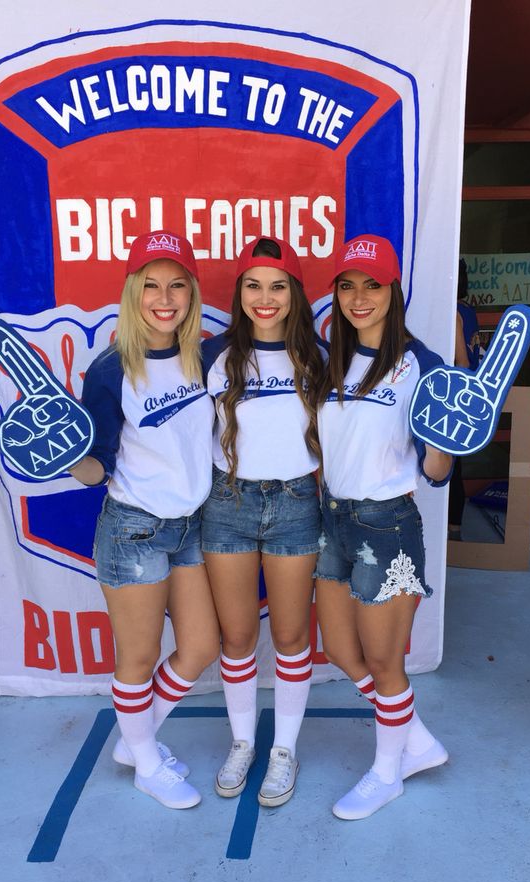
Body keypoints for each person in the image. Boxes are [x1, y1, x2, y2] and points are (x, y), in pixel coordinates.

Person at [70, 230, 219, 810]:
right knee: (136, 658)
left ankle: (136, 740)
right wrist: (68, 455)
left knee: (201, 646)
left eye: (177, 284)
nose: (165, 297)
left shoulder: (205, 356)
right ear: (133, 292)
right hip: (134, 529)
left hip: (189, 527)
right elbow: (96, 467)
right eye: (151, 284)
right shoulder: (110, 369)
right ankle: (146, 762)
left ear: (191, 293)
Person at [314, 233, 452, 820]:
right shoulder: (332, 356)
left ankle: (385, 771)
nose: (359, 297)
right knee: (344, 651)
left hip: (386, 525)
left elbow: (437, 471)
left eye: (372, 284)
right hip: (333, 519)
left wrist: (449, 440)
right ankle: (414, 738)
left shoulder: (422, 365)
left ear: (394, 289)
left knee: (385, 663)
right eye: (348, 285)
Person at [202, 237, 325, 807]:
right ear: (239, 293)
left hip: (296, 503)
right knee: (237, 636)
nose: (265, 297)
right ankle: (244, 741)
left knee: (293, 635)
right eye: (253, 285)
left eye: (278, 285)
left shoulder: (320, 357)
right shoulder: (211, 355)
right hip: (227, 503)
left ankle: (285, 750)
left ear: (295, 294)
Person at [448, 257, 481, 540]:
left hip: (454, 391)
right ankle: (455, 528)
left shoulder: (450, 311)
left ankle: (453, 531)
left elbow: (461, 361)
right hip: (470, 389)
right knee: (455, 463)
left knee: (449, 465)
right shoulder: (468, 309)